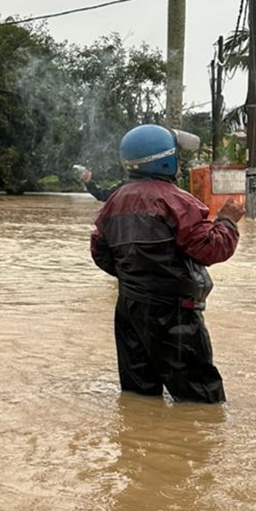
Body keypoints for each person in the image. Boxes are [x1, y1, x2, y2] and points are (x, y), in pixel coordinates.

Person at [90, 124, 245, 404]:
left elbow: (100, 252)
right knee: (200, 399)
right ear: (166, 160)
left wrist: (136, 278)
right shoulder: (177, 200)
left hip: (129, 308)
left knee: (138, 393)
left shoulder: (114, 201)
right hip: (173, 312)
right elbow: (211, 249)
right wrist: (227, 221)